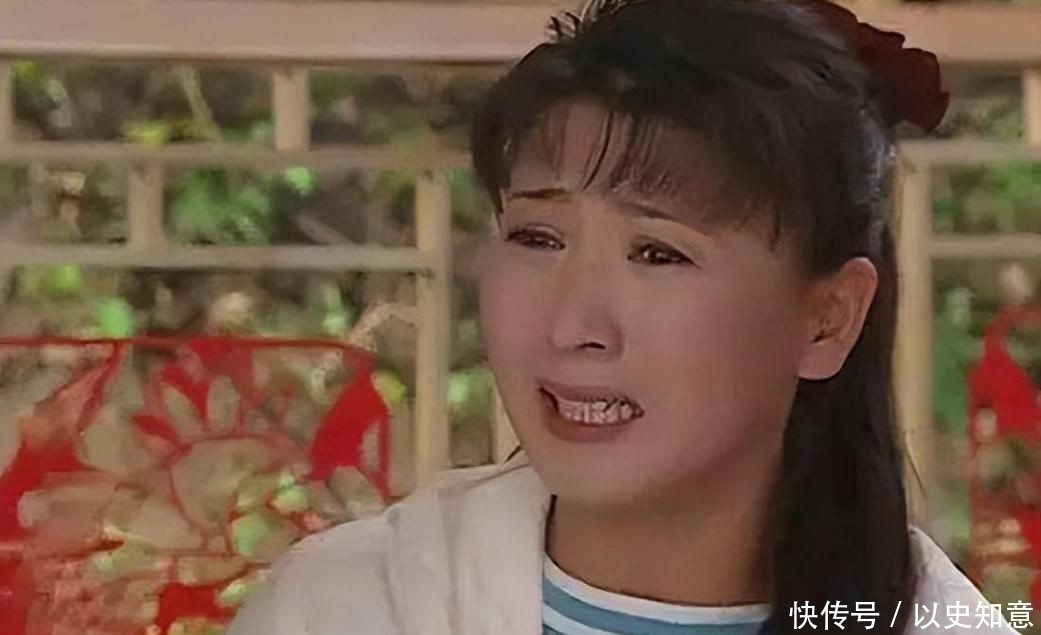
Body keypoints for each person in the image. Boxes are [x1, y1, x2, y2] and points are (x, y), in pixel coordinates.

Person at [228, 1, 1022, 633]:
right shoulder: (349, 606)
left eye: (657, 253)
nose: (573, 325)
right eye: (537, 237)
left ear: (827, 318)